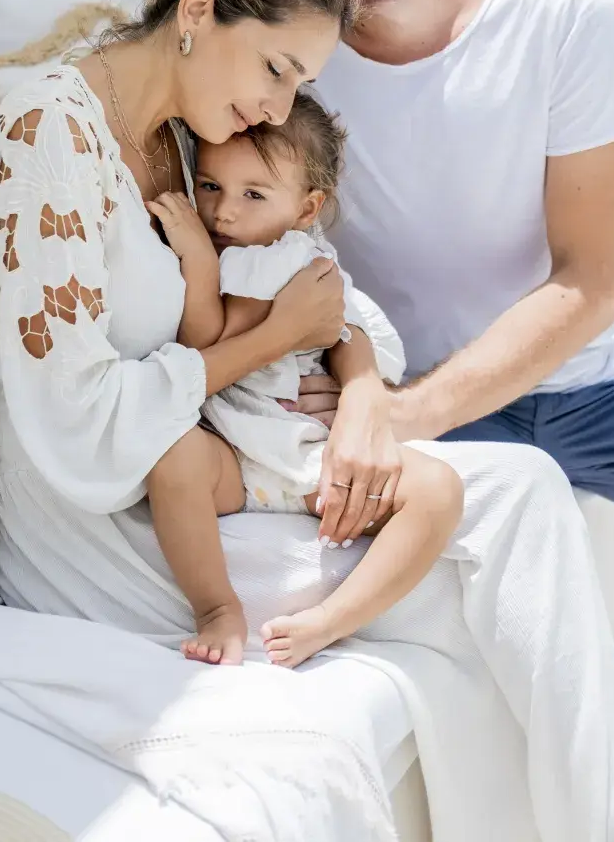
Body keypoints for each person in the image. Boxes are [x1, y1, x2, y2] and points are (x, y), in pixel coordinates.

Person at [0, 0, 614, 839]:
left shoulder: (178, 134)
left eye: (298, 83)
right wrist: (276, 337)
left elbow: (295, 297)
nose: (274, 110)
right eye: (273, 70)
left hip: (220, 473)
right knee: (510, 520)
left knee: (523, 494)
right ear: (199, 9)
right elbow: (81, 427)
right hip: (113, 526)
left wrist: (348, 383)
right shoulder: (46, 134)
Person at [251, 0, 614, 799]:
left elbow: (589, 283)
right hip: (434, 411)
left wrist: (400, 416)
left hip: (584, 384)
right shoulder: (293, 59)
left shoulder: (566, 8)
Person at [146, 91, 463, 669]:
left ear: (307, 208)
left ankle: (332, 619)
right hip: (232, 457)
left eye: (253, 194)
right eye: (211, 186)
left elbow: (205, 340)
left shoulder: (273, 261)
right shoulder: (265, 248)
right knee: (173, 462)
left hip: (303, 455)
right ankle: (217, 607)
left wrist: (196, 257)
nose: (224, 213)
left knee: (439, 490)